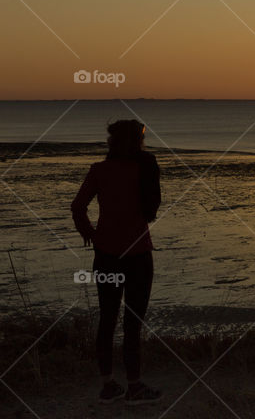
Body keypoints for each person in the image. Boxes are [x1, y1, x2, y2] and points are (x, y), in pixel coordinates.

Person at [70, 119, 162, 405]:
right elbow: (153, 208)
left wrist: (90, 234)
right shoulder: (145, 167)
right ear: (137, 141)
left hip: (107, 254)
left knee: (107, 319)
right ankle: (134, 386)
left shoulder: (99, 170)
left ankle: (108, 384)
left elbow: (77, 206)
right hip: (137, 255)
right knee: (133, 322)